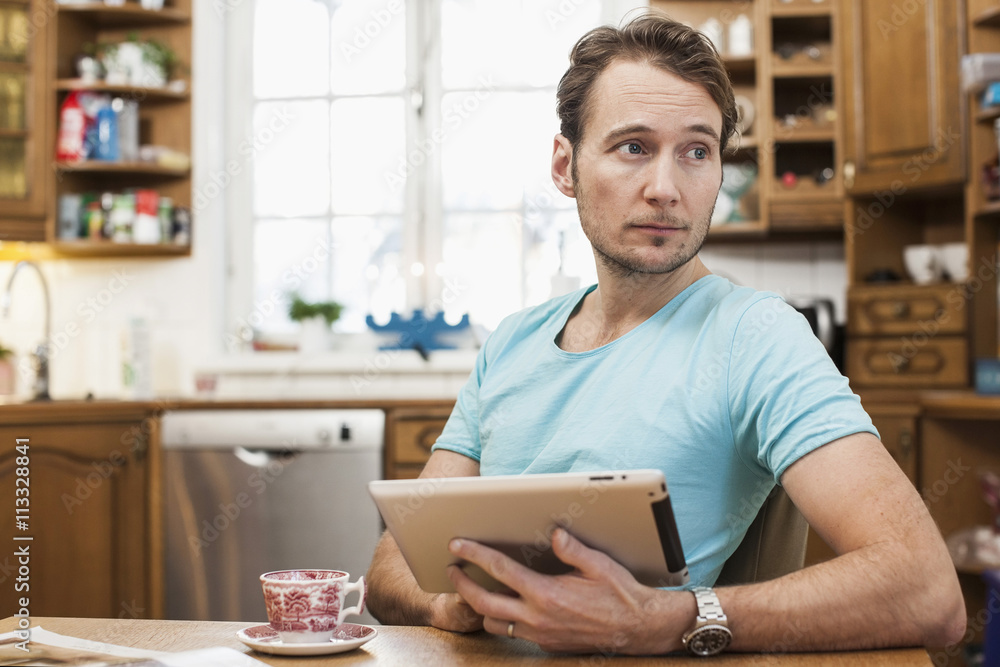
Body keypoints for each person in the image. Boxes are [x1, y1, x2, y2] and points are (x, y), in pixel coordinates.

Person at [366, 11, 966, 656]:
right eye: (633, 147)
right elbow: (391, 564)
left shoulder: (756, 337)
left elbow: (926, 592)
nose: (666, 189)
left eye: (697, 152)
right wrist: (459, 602)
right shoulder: (513, 341)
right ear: (565, 167)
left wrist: (666, 619)